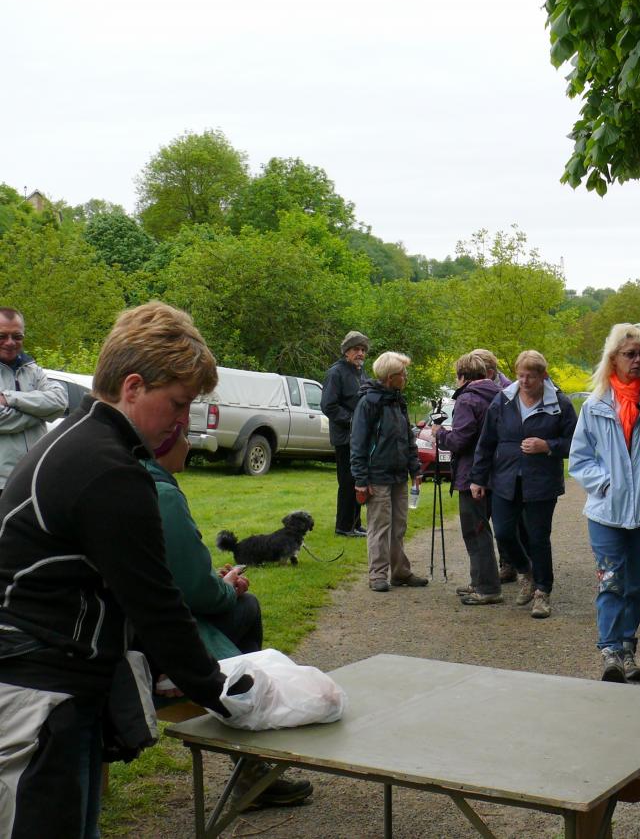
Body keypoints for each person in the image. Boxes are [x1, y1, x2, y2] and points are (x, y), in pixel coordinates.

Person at [0, 302, 250, 838]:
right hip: (37, 688)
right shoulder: (109, 469)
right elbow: (157, 604)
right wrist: (226, 696)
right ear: (133, 387)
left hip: (61, 679)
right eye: (179, 404)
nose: (184, 421)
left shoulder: (78, 437)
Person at [145, 426, 314, 809]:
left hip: (133, 626)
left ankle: (249, 756)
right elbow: (192, 590)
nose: (190, 446)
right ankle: (249, 752)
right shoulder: (163, 493)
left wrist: (216, 581)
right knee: (247, 607)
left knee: (239, 607)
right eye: (185, 437)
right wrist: (225, 587)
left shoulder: (126, 478)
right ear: (165, 446)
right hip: (157, 639)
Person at [570, 324, 640, 682]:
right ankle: (610, 653)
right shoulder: (595, 406)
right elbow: (580, 458)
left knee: (635, 585)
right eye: (629, 354)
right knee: (610, 582)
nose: (637, 360)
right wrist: (606, 484)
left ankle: (627, 649)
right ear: (613, 358)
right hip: (606, 513)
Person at [471, 350, 578, 618]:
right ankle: (525, 571)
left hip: (542, 480)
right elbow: (486, 441)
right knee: (504, 532)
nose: (525, 381)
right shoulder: (503, 400)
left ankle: (543, 592)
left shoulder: (560, 404)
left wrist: (548, 445)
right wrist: (478, 477)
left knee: (538, 537)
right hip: (505, 477)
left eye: (531, 376)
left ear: (544, 376)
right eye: (520, 375)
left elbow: (576, 443)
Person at [351, 351, 428, 593]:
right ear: (390, 377)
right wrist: (361, 480)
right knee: (379, 527)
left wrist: (415, 468)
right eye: (402, 373)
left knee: (399, 526)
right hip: (377, 476)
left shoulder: (398, 401)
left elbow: (407, 437)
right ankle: (377, 575)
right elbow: (358, 443)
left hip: (398, 475)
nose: (405, 377)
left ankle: (400, 572)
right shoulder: (369, 403)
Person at [434, 352, 504, 605]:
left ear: (462, 376)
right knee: (482, 528)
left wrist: (440, 433)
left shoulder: (467, 400)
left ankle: (487, 587)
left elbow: (461, 440)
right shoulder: (500, 395)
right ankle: (479, 580)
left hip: (472, 473)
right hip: (497, 471)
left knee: (475, 531)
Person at [0, 307, 68, 497]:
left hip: (36, 476)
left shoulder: (33, 370)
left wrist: (9, 398)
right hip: (3, 482)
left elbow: (60, 401)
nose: (10, 342)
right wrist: (40, 412)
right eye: (2, 336)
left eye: (17, 336)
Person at [471, 347, 523, 584]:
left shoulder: (510, 391)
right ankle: (505, 564)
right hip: (487, 460)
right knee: (492, 517)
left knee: (511, 519)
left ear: (489, 370)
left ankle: (511, 563)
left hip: (504, 465)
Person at [322, 330, 370, 538]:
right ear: (346, 352)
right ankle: (343, 525)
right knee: (348, 481)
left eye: (362, 350)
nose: (360, 353)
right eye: (355, 349)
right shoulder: (336, 373)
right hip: (345, 437)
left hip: (361, 437)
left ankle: (355, 523)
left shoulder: (361, 372)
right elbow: (328, 406)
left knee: (359, 479)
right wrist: (353, 421)